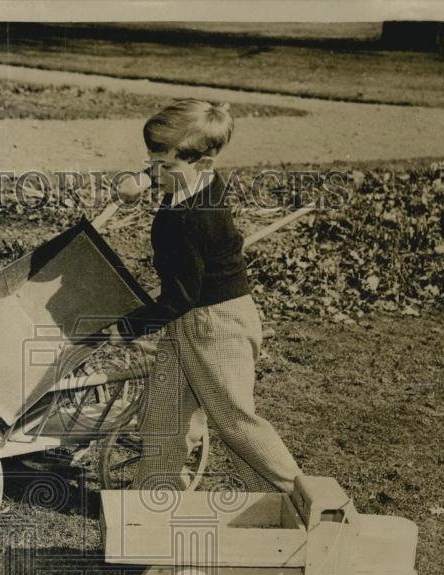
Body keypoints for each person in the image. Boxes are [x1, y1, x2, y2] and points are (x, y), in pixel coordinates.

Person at [108, 98, 302, 493]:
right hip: (189, 320)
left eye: (165, 166)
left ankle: (307, 502)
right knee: (164, 418)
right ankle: (154, 501)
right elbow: (167, 167)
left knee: (234, 420)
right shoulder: (195, 181)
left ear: (203, 162)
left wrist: (125, 328)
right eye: (152, 161)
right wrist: (142, 180)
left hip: (217, 324)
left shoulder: (192, 220)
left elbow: (179, 298)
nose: (156, 172)